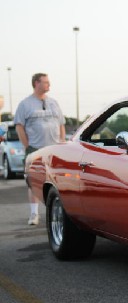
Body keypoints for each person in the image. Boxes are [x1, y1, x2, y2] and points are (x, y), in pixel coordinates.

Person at [14, 73, 66, 225]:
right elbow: (19, 126)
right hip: (35, 149)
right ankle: (34, 214)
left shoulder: (54, 103)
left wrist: (62, 142)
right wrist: (27, 146)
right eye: (46, 82)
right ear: (36, 83)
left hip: (54, 150)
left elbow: (61, 124)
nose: (49, 85)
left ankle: (60, 213)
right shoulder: (25, 104)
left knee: (58, 182)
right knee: (34, 182)